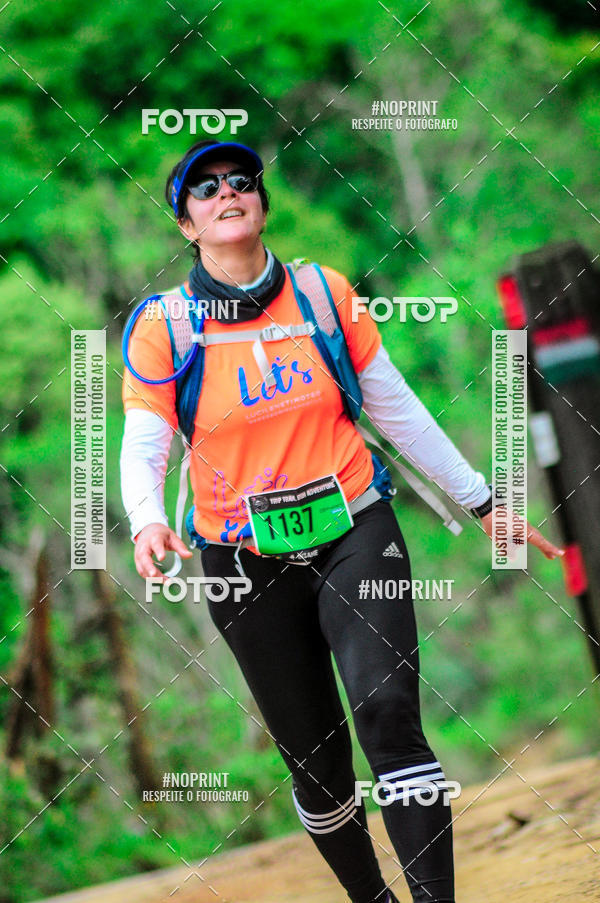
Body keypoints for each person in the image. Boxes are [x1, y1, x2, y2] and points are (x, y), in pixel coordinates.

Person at [120, 139, 564, 903]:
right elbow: (145, 438)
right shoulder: (166, 324)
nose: (228, 192)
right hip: (239, 557)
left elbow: (395, 406)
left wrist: (484, 501)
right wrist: (146, 519)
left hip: (355, 525)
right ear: (186, 224)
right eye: (206, 189)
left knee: (389, 713)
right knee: (318, 767)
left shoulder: (323, 295)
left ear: (261, 203)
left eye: (242, 182)